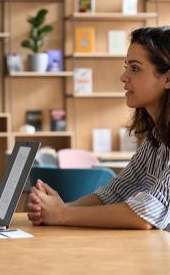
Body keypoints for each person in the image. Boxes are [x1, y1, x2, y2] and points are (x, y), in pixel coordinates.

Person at [28, 26, 170, 231]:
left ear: (167, 78)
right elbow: (115, 192)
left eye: (135, 68)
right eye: (126, 67)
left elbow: (145, 215)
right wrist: (58, 209)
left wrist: (62, 214)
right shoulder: (156, 138)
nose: (124, 77)